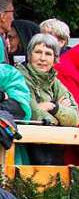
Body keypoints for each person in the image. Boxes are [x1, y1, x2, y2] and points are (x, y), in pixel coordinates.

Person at [19, 33, 77, 165]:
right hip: (26, 149)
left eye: (48, 54)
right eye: (38, 52)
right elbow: (33, 115)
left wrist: (53, 107)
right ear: (29, 55)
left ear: (55, 58)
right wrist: (60, 115)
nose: (43, 58)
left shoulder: (55, 82)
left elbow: (74, 117)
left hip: (52, 149)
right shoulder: (20, 77)